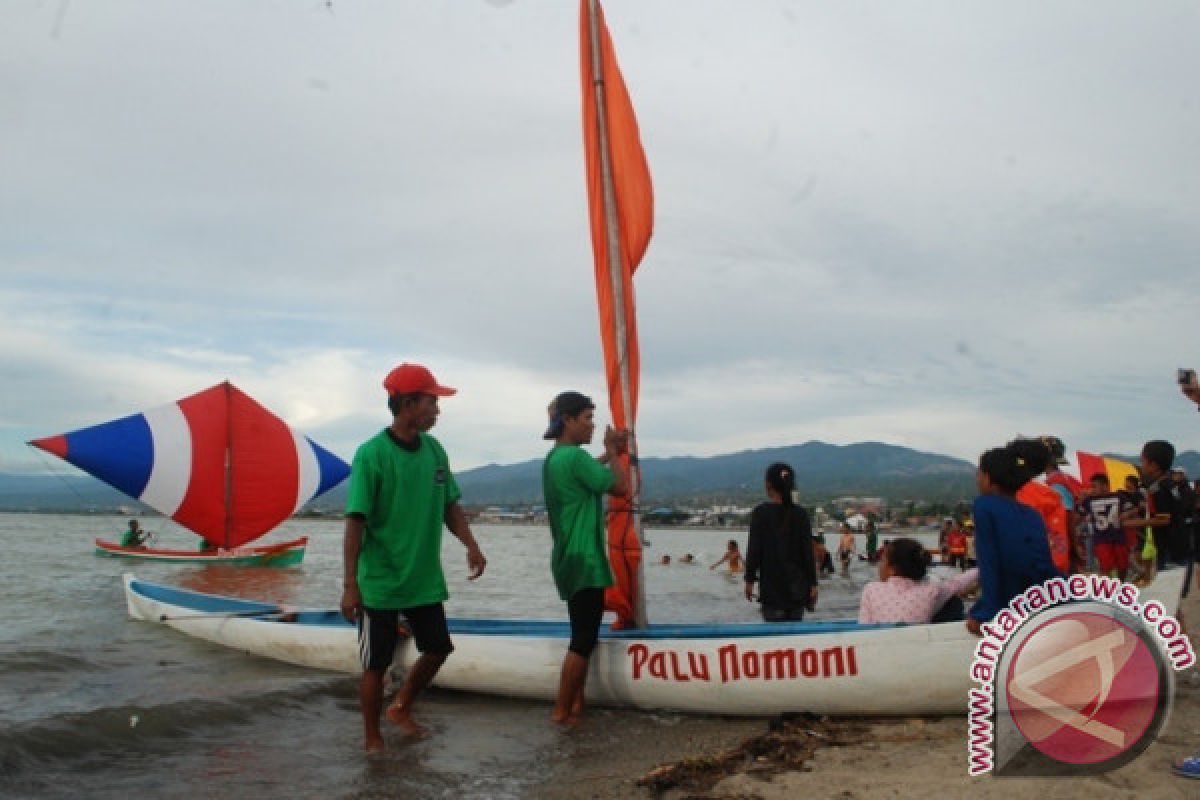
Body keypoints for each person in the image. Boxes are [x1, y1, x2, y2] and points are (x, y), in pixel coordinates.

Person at [340, 363, 487, 753]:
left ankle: (401, 706)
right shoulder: (371, 455)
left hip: (422, 578)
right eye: (432, 402)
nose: (437, 411)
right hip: (380, 582)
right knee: (375, 664)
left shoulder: (435, 451)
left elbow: (450, 505)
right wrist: (350, 585)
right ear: (407, 403)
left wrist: (471, 544)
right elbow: (355, 523)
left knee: (438, 647)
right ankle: (372, 741)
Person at [541, 390, 630, 726]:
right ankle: (561, 712)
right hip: (585, 558)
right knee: (583, 639)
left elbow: (590, 470)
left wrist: (607, 455)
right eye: (588, 418)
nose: (592, 425)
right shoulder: (574, 458)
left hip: (566, 557)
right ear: (568, 420)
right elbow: (620, 489)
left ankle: (575, 708)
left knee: (581, 633)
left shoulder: (557, 458)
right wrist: (614, 453)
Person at [966, 439, 1061, 635]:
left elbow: (989, 561)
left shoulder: (984, 505)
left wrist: (987, 613)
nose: (977, 479)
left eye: (979, 474)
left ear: (989, 479)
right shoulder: (1032, 514)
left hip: (1009, 599)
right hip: (1040, 595)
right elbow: (1041, 562)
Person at [744, 463, 818, 621]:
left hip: (772, 593)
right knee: (794, 639)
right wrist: (813, 584)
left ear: (768, 484)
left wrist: (749, 580)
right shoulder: (801, 514)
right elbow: (808, 554)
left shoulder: (761, 513)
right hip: (798, 592)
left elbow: (754, 551)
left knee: (774, 638)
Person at [858, 538, 979, 624]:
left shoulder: (871, 589)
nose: (880, 565)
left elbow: (864, 626)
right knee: (953, 601)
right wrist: (983, 568)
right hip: (917, 644)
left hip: (881, 646)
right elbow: (958, 582)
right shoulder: (932, 590)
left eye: (883, 560)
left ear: (892, 570)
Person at [1138, 440, 1193, 597]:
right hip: (1178, 546)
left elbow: (1164, 519)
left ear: (1154, 465)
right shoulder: (1169, 485)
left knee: (1169, 599)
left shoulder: (1159, 488)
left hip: (1171, 549)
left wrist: (1130, 523)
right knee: (1172, 602)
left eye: (1143, 461)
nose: (1142, 466)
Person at [1080, 473, 1137, 579]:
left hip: (1119, 536)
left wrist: (1126, 514)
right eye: (1091, 486)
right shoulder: (1089, 500)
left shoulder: (1119, 496)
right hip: (1101, 538)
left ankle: (1121, 583)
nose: (1092, 489)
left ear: (1105, 486)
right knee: (1106, 566)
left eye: (1094, 486)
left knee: (1122, 565)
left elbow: (1133, 509)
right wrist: (1081, 500)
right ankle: (1110, 588)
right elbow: (1079, 514)